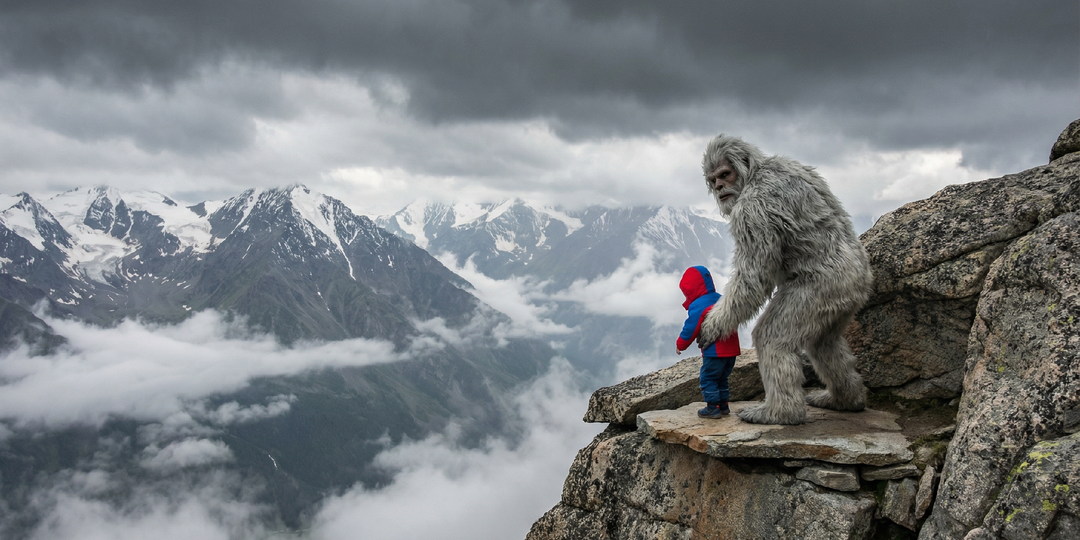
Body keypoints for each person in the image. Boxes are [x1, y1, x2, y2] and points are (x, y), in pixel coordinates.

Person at [676, 266, 741, 418]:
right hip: (732, 350)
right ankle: (724, 406)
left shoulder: (699, 305)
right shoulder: (721, 298)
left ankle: (713, 408)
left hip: (715, 351)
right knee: (722, 378)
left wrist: (680, 344)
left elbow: (691, 328)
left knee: (708, 378)